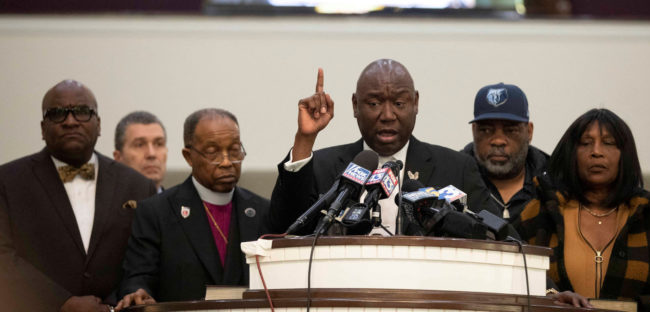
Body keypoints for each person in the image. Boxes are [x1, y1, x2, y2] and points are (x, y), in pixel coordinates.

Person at [514, 108, 650, 311]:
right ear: (571, 152)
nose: (596, 151)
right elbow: (507, 284)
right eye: (585, 143)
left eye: (608, 143)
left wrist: (631, 308)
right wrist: (551, 297)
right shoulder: (540, 213)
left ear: (625, 154)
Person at [274, 59, 491, 235]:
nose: (387, 116)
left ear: (415, 103)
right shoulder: (323, 167)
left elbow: (495, 237)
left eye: (398, 104)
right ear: (355, 105)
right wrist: (305, 139)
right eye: (374, 104)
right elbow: (282, 229)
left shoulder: (458, 169)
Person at [0, 80, 156, 312]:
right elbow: (3, 258)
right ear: (43, 128)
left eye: (83, 112)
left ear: (99, 124)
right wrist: (61, 303)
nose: (70, 121)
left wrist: (125, 296)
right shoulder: (7, 181)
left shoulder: (137, 185)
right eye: (57, 114)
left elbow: (145, 259)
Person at [116, 108, 279, 307]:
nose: (227, 162)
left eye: (234, 150)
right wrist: (137, 292)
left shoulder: (262, 210)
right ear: (189, 156)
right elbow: (138, 277)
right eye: (213, 152)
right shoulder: (156, 211)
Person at [461, 83, 549, 220]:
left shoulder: (553, 182)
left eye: (511, 130)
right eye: (486, 130)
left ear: (529, 132)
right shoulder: (454, 177)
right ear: (474, 131)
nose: (498, 141)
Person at [113, 111, 167, 192]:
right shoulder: (100, 204)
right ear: (118, 158)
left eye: (159, 144)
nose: (151, 154)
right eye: (139, 145)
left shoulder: (184, 203)